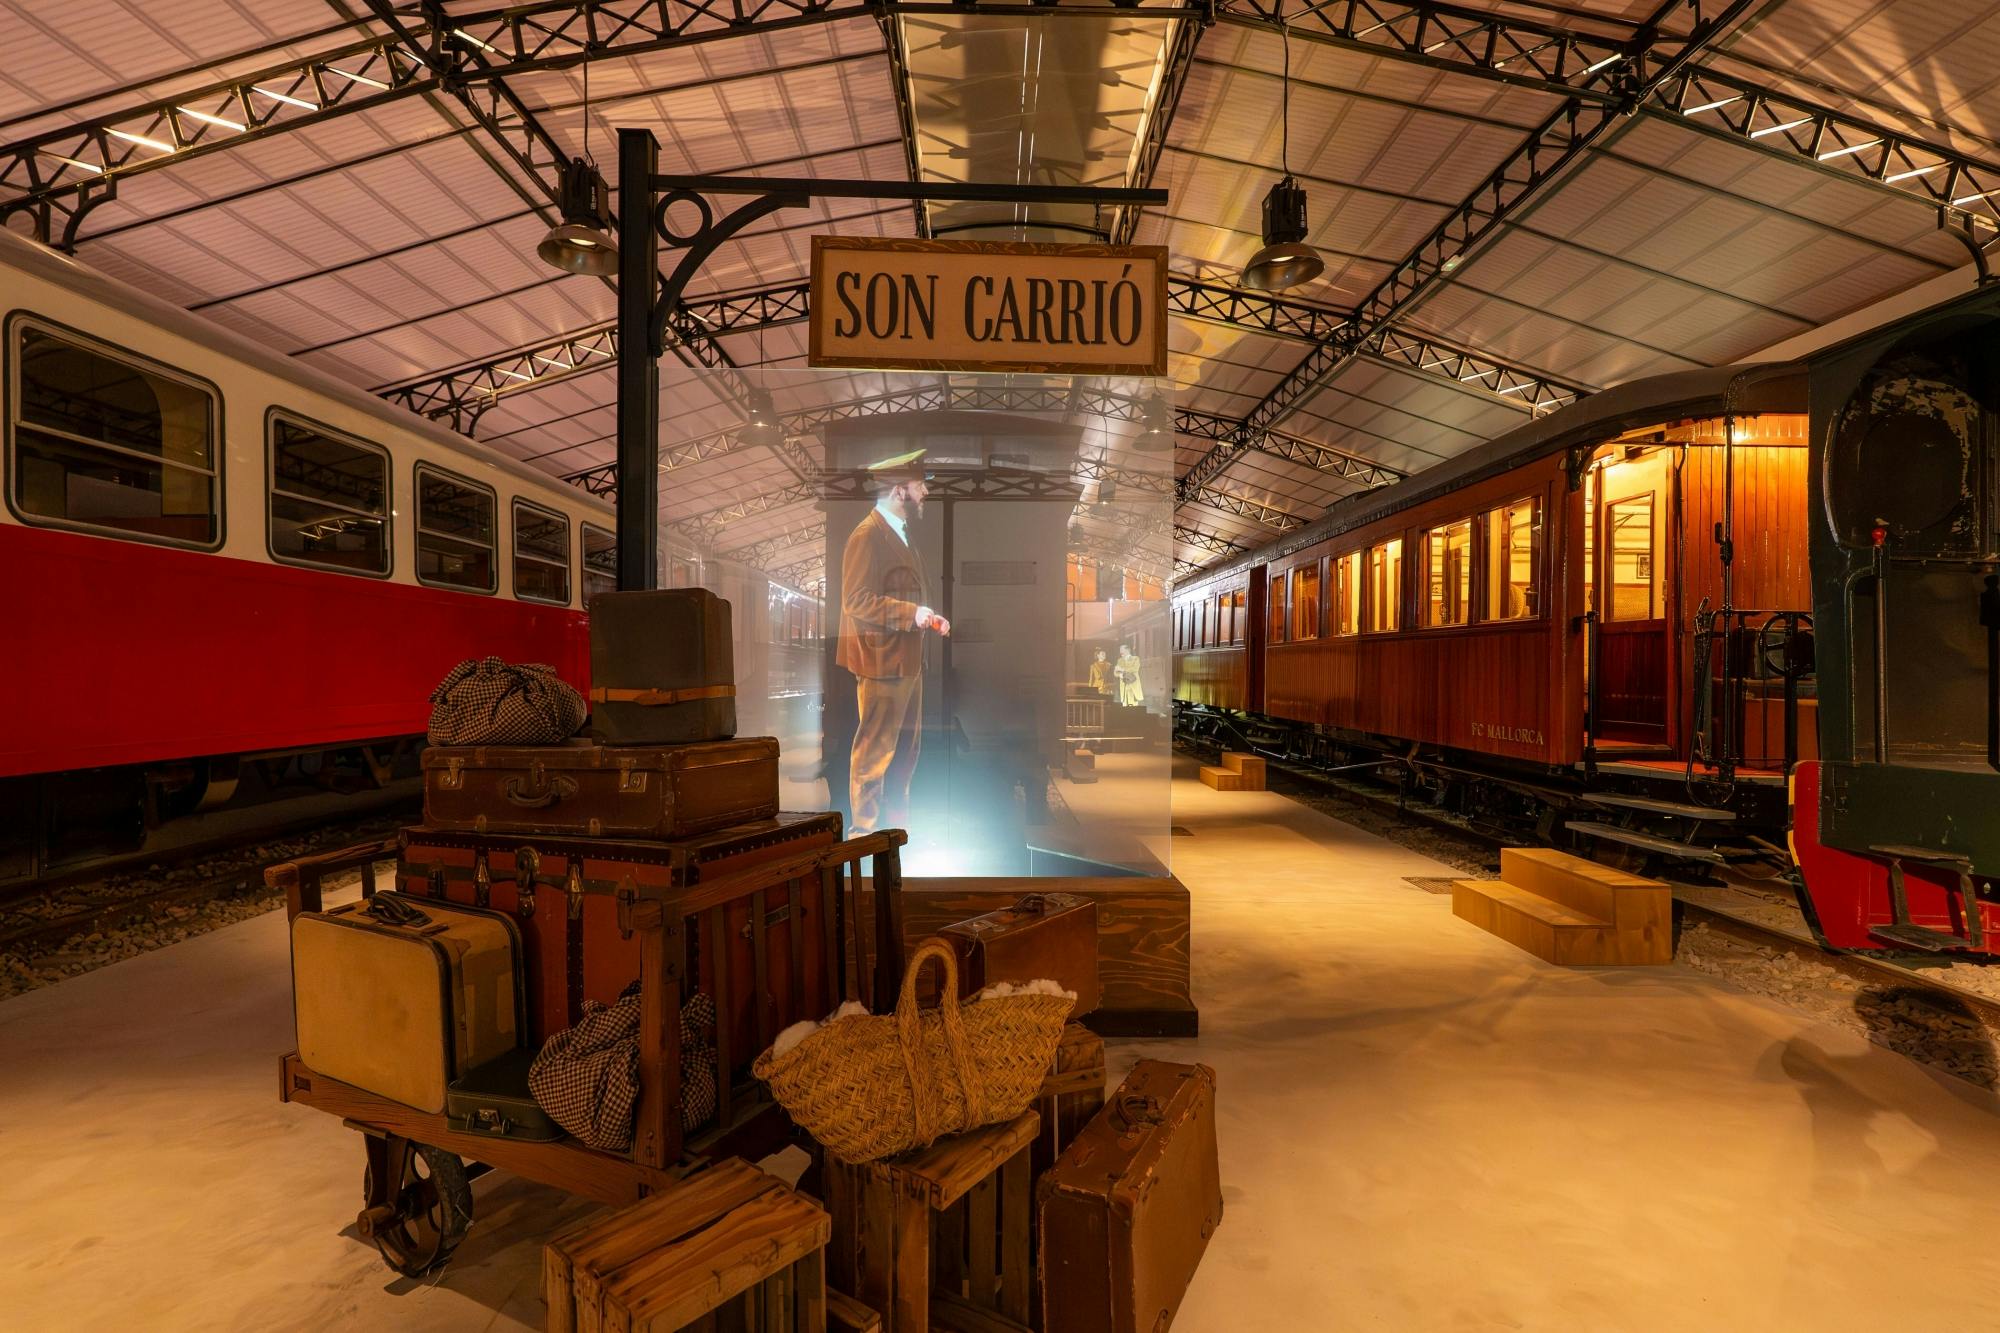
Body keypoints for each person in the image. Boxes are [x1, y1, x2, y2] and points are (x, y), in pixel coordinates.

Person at [835, 448, 949, 834]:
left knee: (904, 754)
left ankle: (895, 833)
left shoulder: (900, 534)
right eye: (919, 486)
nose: (925, 493)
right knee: (873, 754)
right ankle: (864, 836)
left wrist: (927, 616)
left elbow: (901, 592)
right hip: (881, 664)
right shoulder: (867, 535)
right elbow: (855, 600)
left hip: (906, 662)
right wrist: (910, 614)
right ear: (900, 491)